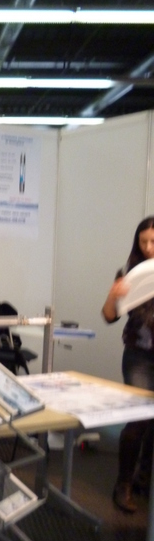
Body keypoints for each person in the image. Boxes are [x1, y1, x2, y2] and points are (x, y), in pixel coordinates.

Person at [102, 216, 154, 513]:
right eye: (143, 241)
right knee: (138, 419)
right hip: (139, 356)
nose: (148, 247)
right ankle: (123, 484)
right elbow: (109, 316)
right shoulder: (131, 275)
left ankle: (143, 479)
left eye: (153, 241)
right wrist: (113, 295)